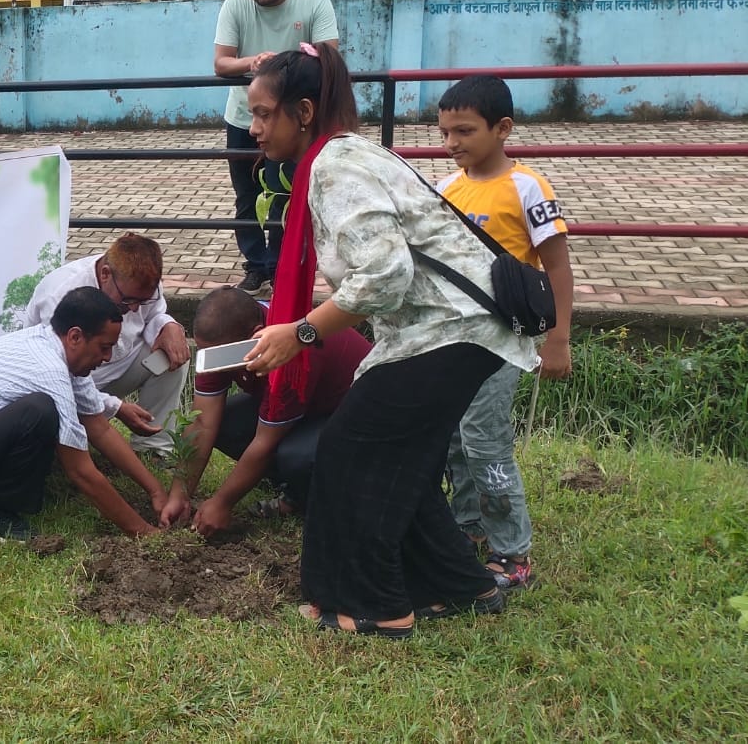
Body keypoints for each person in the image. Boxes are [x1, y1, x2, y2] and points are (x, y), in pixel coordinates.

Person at [241, 43, 536, 638]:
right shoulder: (342, 156)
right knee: (406, 460)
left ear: (302, 112)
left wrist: (300, 333)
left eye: (263, 114)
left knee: (351, 450)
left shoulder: (336, 167)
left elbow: (385, 275)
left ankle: (374, 604)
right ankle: (459, 585)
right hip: (453, 327)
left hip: (452, 328)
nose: (253, 129)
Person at [436, 75, 574, 592]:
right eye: (445, 133)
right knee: (452, 433)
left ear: (503, 129)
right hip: (456, 337)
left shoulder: (527, 188)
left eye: (465, 131)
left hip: (504, 340)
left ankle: (513, 552)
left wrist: (557, 338)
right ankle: (467, 524)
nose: (452, 144)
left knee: (484, 438)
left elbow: (558, 267)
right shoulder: (448, 188)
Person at [0, 286, 171, 541]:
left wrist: (155, 490)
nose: (108, 356)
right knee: (39, 411)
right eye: (104, 347)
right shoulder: (48, 369)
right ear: (75, 336)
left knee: (39, 410)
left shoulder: (58, 350)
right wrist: (142, 531)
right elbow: (80, 471)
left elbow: (99, 428)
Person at [160, 287, 369, 534]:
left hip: (352, 416)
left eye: (220, 357)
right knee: (224, 425)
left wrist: (222, 503)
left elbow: (265, 442)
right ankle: (292, 480)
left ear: (256, 337)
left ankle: (307, 496)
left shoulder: (291, 353)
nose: (212, 364)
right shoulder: (221, 345)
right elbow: (202, 423)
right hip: (305, 407)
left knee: (295, 457)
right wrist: (180, 494)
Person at [213, 0, 339, 296]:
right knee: (246, 195)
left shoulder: (315, 2)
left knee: (285, 193)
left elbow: (329, 57)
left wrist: (283, 67)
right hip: (242, 116)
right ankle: (255, 267)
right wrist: (251, 63)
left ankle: (280, 265)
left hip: (292, 124)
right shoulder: (235, 6)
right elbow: (222, 62)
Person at [22, 232, 188, 455]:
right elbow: (58, 375)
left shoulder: (140, 283)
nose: (135, 308)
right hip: (61, 385)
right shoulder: (61, 295)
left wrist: (168, 326)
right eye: (128, 300)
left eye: (143, 301)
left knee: (172, 354)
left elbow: (153, 315)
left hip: (114, 372)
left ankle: (154, 450)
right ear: (105, 273)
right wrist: (115, 407)